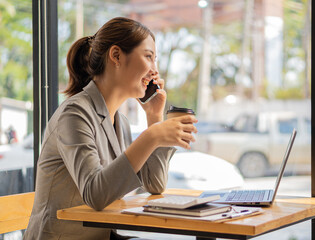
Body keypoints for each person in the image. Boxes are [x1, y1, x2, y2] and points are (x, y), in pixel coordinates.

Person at [24, 17, 198, 240]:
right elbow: (95, 194)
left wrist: (154, 118)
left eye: (156, 60)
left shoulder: (120, 121)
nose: (155, 71)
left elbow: (154, 185)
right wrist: (151, 137)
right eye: (149, 57)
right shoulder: (75, 113)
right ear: (116, 55)